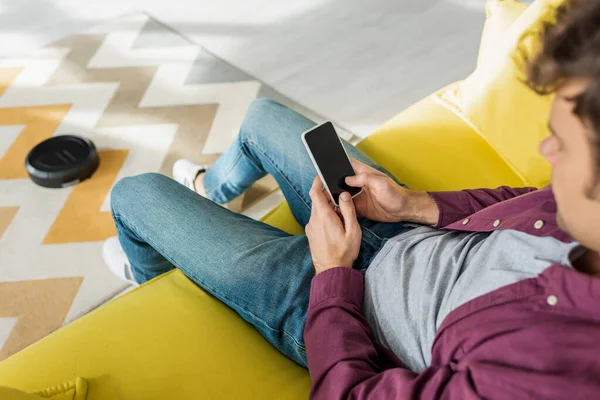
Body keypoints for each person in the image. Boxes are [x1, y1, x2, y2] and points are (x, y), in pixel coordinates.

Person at [103, 0, 600, 397]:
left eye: (564, 144)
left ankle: (168, 280)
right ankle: (211, 192)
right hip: (408, 229)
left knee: (135, 193)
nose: (544, 150)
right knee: (263, 119)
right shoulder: (583, 211)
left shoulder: (546, 375)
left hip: (344, 308)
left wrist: (333, 274)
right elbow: (526, 203)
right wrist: (415, 206)